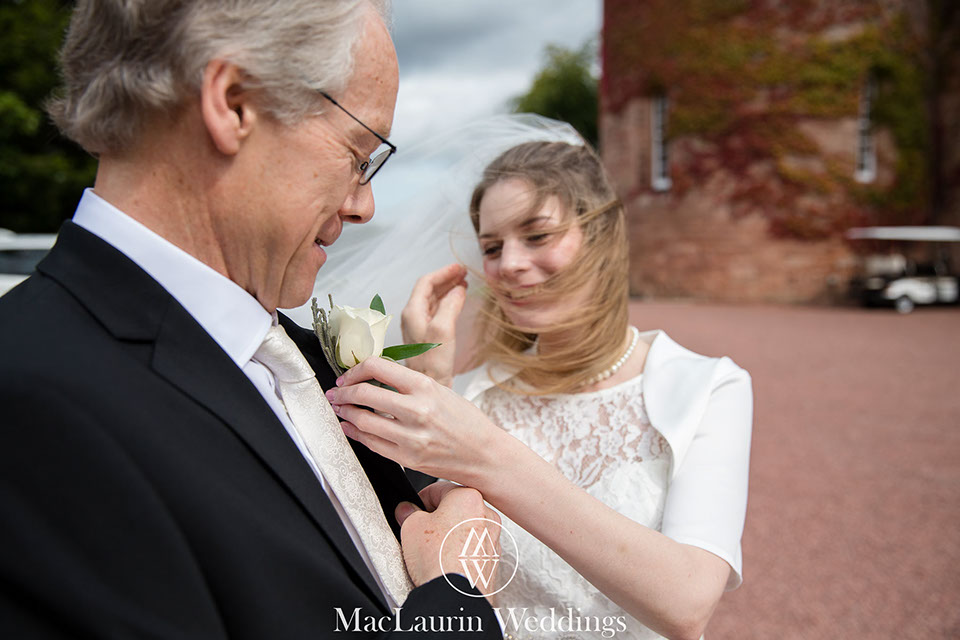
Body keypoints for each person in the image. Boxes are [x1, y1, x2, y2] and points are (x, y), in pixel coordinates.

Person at [0, 1, 504, 637]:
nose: (365, 206)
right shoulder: (28, 411)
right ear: (233, 103)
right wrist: (456, 603)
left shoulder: (300, 357)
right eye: (358, 152)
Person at [326, 139, 753, 640]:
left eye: (537, 235)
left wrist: (485, 453)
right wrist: (435, 381)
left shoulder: (704, 387)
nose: (508, 264)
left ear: (600, 235)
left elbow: (686, 604)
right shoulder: (471, 400)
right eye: (492, 247)